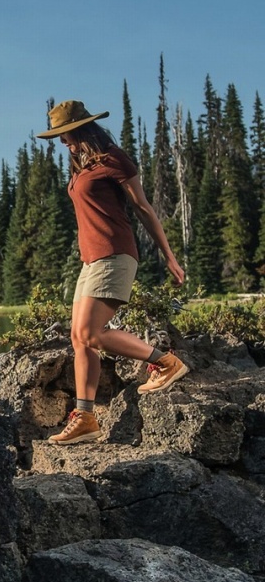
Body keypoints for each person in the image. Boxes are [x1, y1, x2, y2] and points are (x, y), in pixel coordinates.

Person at [36, 99, 189, 446]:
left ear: (82, 129)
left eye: (65, 134)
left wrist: (168, 255)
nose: (62, 142)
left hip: (115, 255)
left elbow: (143, 207)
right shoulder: (81, 165)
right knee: (79, 339)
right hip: (91, 261)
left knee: (91, 333)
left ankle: (165, 362)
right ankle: (86, 418)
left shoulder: (114, 160)